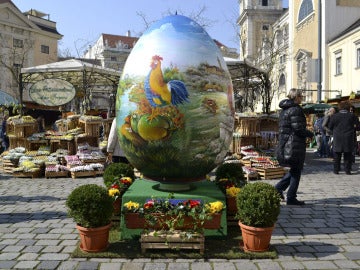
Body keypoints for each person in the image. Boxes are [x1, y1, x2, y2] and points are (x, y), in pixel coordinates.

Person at [275, 88, 314, 206]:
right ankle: (291, 197)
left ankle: (278, 190)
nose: (301, 98)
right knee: (296, 170)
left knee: (295, 170)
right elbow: (298, 128)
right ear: (296, 97)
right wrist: (310, 134)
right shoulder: (295, 109)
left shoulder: (284, 109)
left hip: (287, 143)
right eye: (300, 96)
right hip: (293, 144)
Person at [328, 101, 359, 175]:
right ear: (348, 107)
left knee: (337, 155)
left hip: (337, 137)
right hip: (348, 137)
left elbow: (330, 127)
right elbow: (358, 126)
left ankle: (336, 170)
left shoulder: (334, 116)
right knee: (347, 155)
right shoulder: (352, 116)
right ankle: (347, 170)